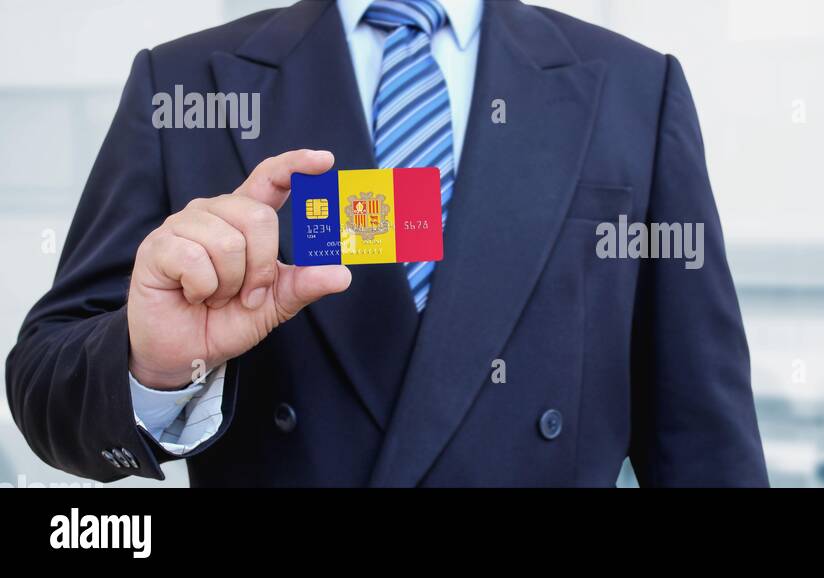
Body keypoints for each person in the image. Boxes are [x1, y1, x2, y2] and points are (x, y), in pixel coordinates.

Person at [5, 0, 767, 487]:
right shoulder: (186, 83)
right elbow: (45, 386)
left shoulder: (637, 88)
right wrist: (154, 367)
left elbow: (705, 443)